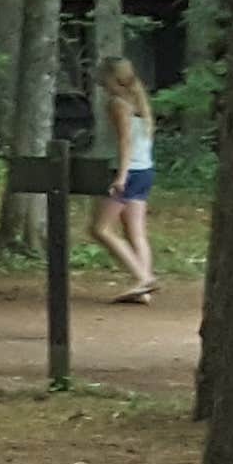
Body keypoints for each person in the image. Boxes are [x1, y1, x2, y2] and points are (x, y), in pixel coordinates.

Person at [92, 49, 158, 303]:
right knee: (135, 232)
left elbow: (124, 142)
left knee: (100, 228)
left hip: (127, 171)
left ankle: (143, 278)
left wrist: (120, 175)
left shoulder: (117, 104)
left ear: (110, 78)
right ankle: (144, 289)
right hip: (144, 170)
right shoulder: (139, 103)